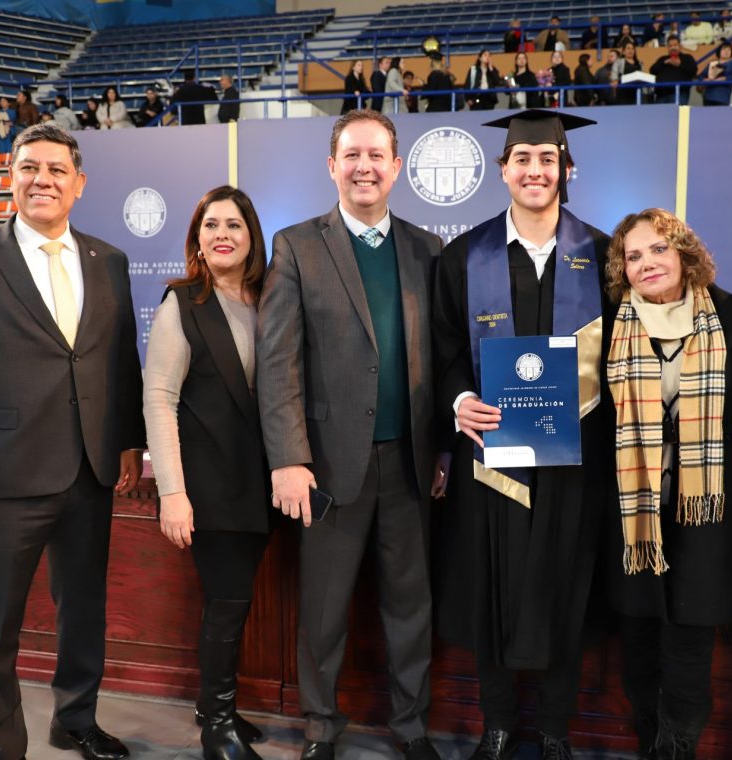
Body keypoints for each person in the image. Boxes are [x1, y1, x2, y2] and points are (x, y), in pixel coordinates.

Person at [0, 122, 146, 760]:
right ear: (9, 179)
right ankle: (3, 746)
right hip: (3, 476)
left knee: (84, 612)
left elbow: (120, 362)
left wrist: (128, 442)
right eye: (29, 168)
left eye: (56, 170)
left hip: (91, 470)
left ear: (79, 183)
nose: (42, 180)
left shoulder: (110, 260)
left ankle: (75, 719)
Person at [256, 109, 445, 760]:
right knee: (324, 608)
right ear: (332, 166)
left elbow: (442, 359)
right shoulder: (296, 245)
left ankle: (412, 727)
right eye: (352, 156)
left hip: (411, 463)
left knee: (411, 607)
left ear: (397, 167)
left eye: (376, 155)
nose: (365, 167)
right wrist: (288, 458)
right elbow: (278, 363)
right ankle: (319, 728)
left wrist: (442, 449)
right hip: (328, 467)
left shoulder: (427, 249)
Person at [432, 110, 608, 760]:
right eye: (523, 160)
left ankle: (556, 730)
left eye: (547, 159)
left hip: (574, 460)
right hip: (492, 457)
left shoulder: (604, 254)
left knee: (566, 589)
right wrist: (461, 401)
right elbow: (445, 348)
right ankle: (498, 725)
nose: (536, 171)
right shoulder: (465, 255)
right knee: (494, 587)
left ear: (567, 169)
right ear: (503, 169)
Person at [602, 208, 732, 760]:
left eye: (659, 249)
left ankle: (677, 747)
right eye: (633, 256)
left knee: (690, 641)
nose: (647, 263)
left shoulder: (730, 315)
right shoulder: (608, 321)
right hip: (630, 508)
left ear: (684, 253)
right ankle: (648, 738)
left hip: (701, 505)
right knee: (637, 639)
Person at [143, 185, 270, 760]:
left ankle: (217, 706)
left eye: (233, 225)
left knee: (236, 603)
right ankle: (216, 723)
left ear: (251, 236)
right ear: (197, 237)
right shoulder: (182, 302)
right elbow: (159, 399)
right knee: (226, 602)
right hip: (209, 486)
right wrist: (172, 492)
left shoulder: (269, 298)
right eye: (211, 225)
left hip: (261, 484)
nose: (222, 234)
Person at [650, 36, 698, 104]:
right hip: (661, 95)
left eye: (675, 45)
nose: (673, 48)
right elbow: (652, 70)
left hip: (680, 94)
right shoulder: (663, 59)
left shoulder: (687, 58)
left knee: (677, 111)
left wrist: (680, 64)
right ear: (667, 47)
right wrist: (664, 62)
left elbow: (693, 71)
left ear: (680, 46)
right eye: (670, 46)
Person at [699, 41, 732, 105]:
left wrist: (723, 79)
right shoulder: (712, 63)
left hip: (723, 97)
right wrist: (706, 80)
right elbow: (701, 77)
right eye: (724, 49)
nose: (726, 51)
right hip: (709, 96)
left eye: (729, 50)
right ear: (719, 51)